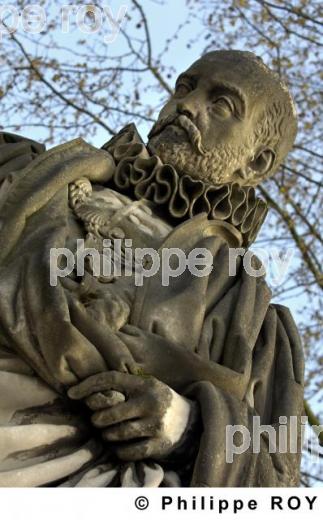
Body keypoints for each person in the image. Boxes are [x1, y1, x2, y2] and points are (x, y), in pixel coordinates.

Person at [0, 50, 304, 487]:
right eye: (185, 87)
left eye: (220, 104)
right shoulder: (34, 171)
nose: (187, 105)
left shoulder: (252, 318)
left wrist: (184, 425)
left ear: (254, 162)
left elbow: (274, 487)